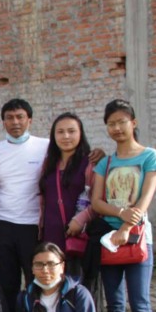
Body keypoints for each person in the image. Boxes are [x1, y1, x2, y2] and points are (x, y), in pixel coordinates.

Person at [90, 99, 156, 312]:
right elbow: (97, 202)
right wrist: (120, 215)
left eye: (122, 122)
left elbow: (145, 199)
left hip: (137, 240)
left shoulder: (150, 157)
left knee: (140, 303)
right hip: (110, 241)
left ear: (133, 123)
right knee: (114, 304)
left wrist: (127, 226)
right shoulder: (105, 163)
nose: (117, 128)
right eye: (111, 124)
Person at [0, 99, 50, 312]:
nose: (15, 122)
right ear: (3, 122)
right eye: (9, 118)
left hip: (33, 227)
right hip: (2, 225)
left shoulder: (45, 146)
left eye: (20, 117)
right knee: (6, 283)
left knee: (36, 281)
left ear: (29, 120)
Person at [38, 113, 95, 278]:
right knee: (53, 282)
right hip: (51, 234)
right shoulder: (49, 164)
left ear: (80, 133)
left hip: (80, 234)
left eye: (71, 131)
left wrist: (81, 219)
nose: (66, 136)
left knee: (79, 284)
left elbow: (99, 200)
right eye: (60, 132)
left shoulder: (90, 163)